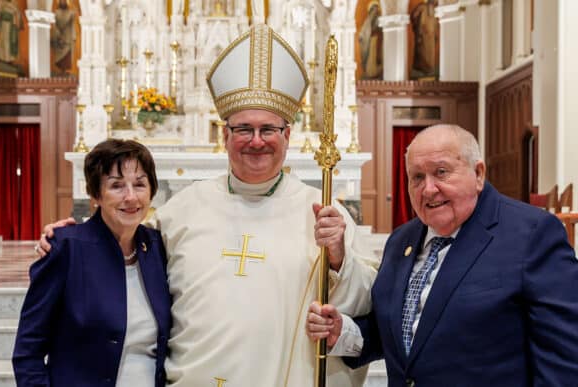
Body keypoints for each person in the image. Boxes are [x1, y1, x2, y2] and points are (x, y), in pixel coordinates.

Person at [37, 24, 378, 386]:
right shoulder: (183, 210)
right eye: (244, 129)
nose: (256, 141)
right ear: (225, 135)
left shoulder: (323, 212)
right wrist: (71, 241)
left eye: (269, 130)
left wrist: (339, 256)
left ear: (288, 135)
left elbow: (367, 302)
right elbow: (126, 257)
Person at [306, 124, 578, 386]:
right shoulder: (402, 240)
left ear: (479, 173)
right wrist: (343, 331)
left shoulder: (531, 235)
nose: (429, 189)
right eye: (416, 177)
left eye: (441, 172)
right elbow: (405, 332)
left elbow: (568, 362)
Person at [14, 139, 172, 386]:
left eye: (140, 184)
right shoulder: (66, 249)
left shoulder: (157, 248)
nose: (131, 197)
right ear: (96, 194)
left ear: (151, 190)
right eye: (117, 186)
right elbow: (27, 351)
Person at [51, 0, 77, 75]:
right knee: (59, 57)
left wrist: (73, 37)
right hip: (58, 37)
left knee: (67, 56)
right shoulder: (56, 13)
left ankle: (65, 71)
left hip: (68, 37)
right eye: (61, 1)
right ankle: (60, 71)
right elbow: (54, 24)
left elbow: (73, 22)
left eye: (64, 1)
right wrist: (57, 34)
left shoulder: (70, 12)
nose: (63, 2)